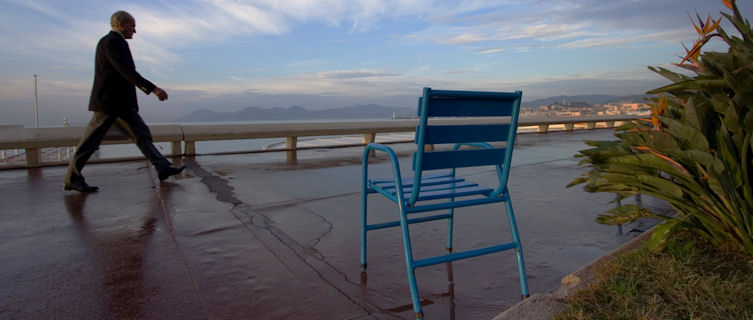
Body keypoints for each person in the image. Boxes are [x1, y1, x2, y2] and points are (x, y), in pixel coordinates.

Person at [63, 10, 185, 193]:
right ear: (121, 25)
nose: (134, 31)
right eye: (132, 26)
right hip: (109, 103)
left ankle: (162, 167)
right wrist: (153, 89)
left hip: (122, 105)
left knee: (142, 135)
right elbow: (125, 70)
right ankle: (72, 178)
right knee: (90, 141)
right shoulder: (112, 42)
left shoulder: (114, 42)